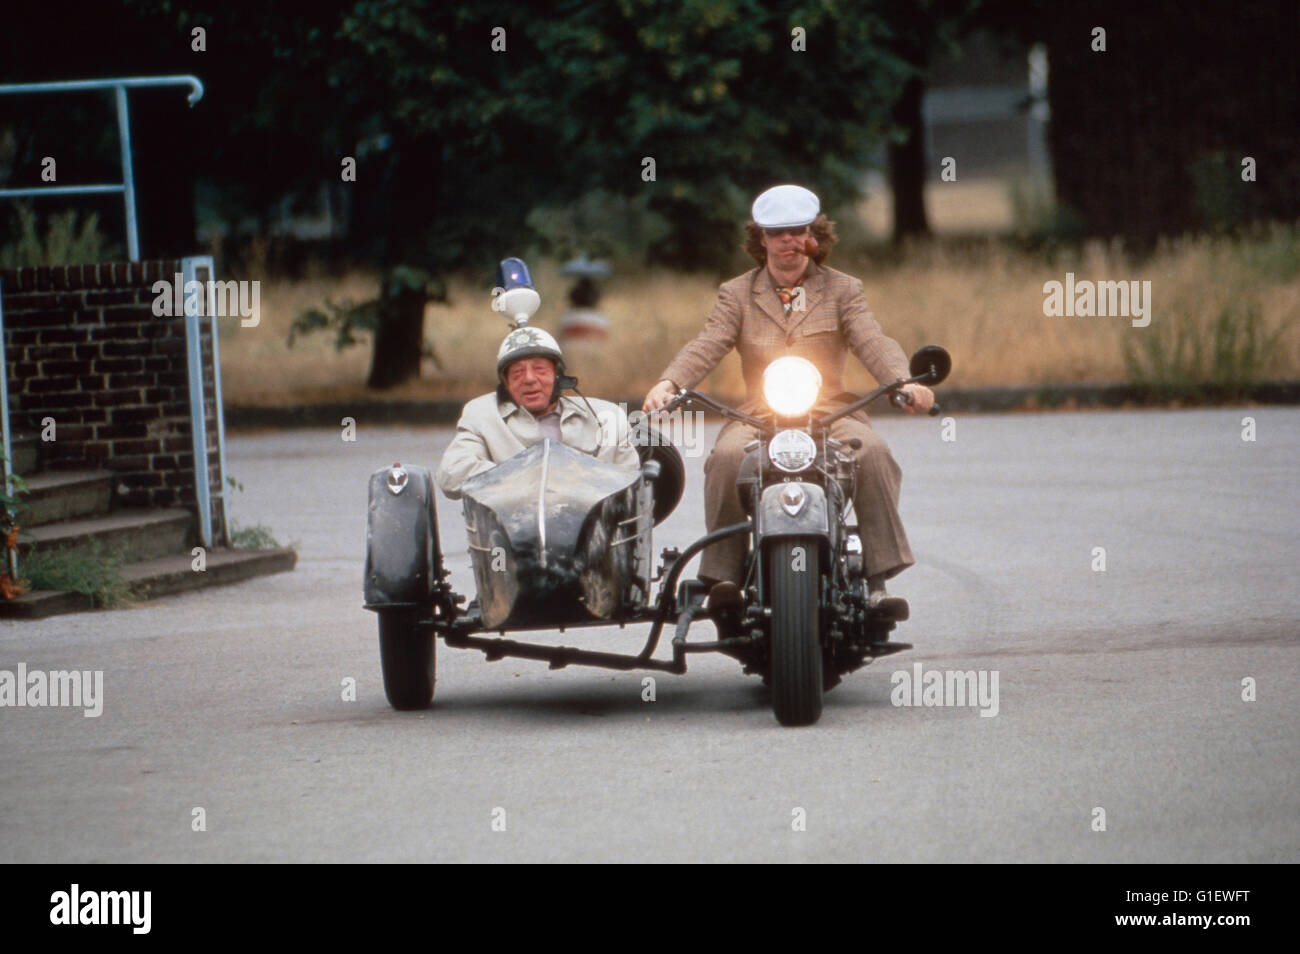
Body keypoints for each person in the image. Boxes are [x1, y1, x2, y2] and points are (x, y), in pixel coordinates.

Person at [641, 184, 933, 618]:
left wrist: (903, 382)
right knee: (724, 456)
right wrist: (668, 383)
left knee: (871, 451)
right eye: (777, 233)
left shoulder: (843, 290)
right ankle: (725, 578)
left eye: (798, 231)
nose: (788, 242)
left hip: (831, 410)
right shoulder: (736, 294)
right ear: (761, 239)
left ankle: (876, 580)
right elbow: (707, 343)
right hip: (758, 415)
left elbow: (871, 338)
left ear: (814, 236)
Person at [436, 324, 640, 499]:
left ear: (558, 376)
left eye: (540, 369)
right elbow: (451, 474)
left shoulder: (606, 417)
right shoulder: (481, 414)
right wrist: (523, 478)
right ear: (506, 383)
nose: (530, 379)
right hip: (511, 530)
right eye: (517, 372)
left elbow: (629, 480)